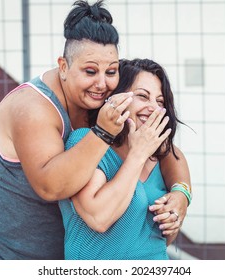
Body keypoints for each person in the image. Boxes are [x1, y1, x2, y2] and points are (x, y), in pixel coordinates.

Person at [0, 0, 190, 260]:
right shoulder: (34, 108)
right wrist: (104, 133)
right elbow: (51, 187)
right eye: (90, 71)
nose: (102, 83)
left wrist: (181, 193)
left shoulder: (99, 102)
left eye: (111, 71)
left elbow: (168, 153)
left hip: (43, 254)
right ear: (63, 67)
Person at [59, 58, 191, 259]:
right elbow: (99, 218)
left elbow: (161, 238)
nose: (153, 108)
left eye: (160, 101)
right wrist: (138, 154)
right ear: (116, 98)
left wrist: (179, 201)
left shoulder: (164, 156)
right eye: (142, 96)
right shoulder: (85, 142)